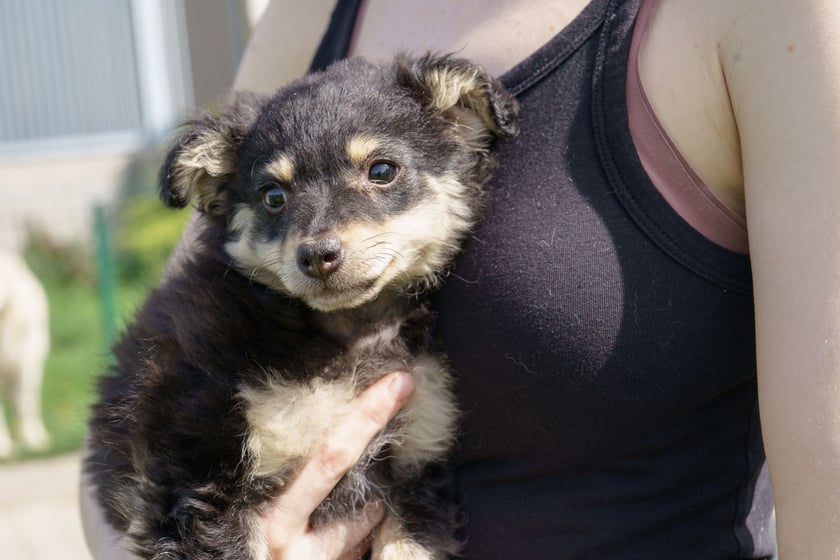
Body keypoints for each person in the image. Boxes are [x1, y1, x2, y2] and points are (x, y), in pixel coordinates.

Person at [81, 0, 840, 558]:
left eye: (379, 172)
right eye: (279, 200)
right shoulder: (310, 13)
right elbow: (126, 436)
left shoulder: (770, 19)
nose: (319, 238)